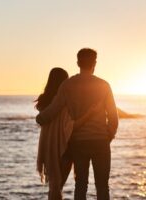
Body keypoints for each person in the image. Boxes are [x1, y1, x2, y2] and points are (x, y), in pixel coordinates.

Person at [36, 48, 119, 200]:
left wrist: (40, 118)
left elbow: (54, 109)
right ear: (94, 63)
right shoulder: (104, 85)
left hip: (78, 142)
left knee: (81, 185)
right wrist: (108, 136)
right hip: (101, 141)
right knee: (102, 186)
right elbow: (113, 117)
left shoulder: (67, 85)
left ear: (77, 63)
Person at [36, 67, 101, 200]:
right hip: (63, 148)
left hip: (49, 148)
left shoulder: (44, 101)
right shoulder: (64, 103)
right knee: (58, 186)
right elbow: (71, 126)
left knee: (54, 186)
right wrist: (90, 114)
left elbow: (42, 120)